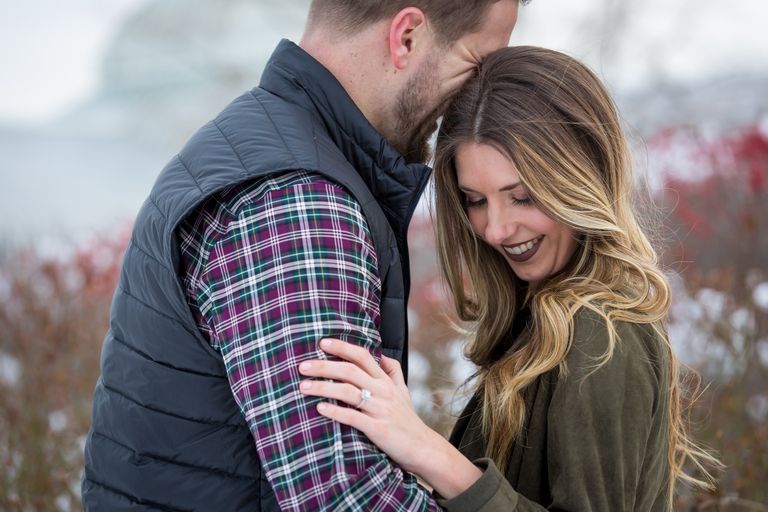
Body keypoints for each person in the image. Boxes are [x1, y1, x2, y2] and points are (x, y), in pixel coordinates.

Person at [80, 1, 520, 510]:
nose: (480, 96)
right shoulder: (297, 203)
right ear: (406, 37)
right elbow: (345, 498)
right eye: (478, 64)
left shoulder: (264, 146)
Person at [297, 46, 718, 511]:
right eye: (475, 200)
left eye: (520, 196)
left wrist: (426, 449)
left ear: (580, 179)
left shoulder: (602, 331)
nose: (495, 229)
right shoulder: (541, 317)